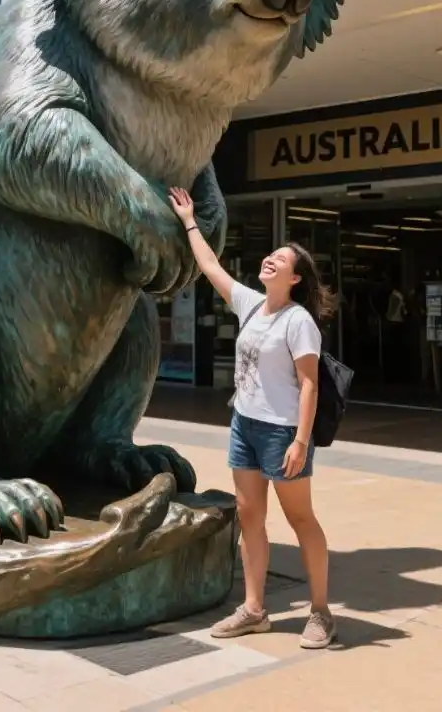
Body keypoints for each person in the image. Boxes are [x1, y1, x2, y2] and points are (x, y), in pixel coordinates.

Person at [167, 186, 337, 650]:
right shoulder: (250, 305)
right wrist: (189, 221)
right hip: (244, 424)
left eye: (280, 260)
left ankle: (321, 611)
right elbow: (209, 267)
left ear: (295, 278)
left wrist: (300, 441)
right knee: (250, 517)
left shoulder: (297, 320)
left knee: (301, 519)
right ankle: (255, 609)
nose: (269, 261)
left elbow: (310, 384)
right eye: (270, 256)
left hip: (282, 432)